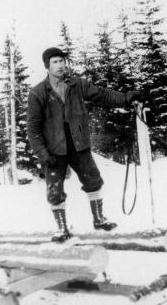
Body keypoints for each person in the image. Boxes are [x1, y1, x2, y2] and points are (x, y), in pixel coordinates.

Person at [27, 47, 141, 242]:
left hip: (79, 145)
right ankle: (62, 228)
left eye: (62, 61)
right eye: (55, 62)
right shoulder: (38, 92)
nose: (60, 65)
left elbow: (101, 94)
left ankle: (99, 219)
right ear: (47, 66)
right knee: (54, 191)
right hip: (54, 150)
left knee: (93, 181)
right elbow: (33, 127)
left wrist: (125, 98)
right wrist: (41, 152)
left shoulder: (76, 84)